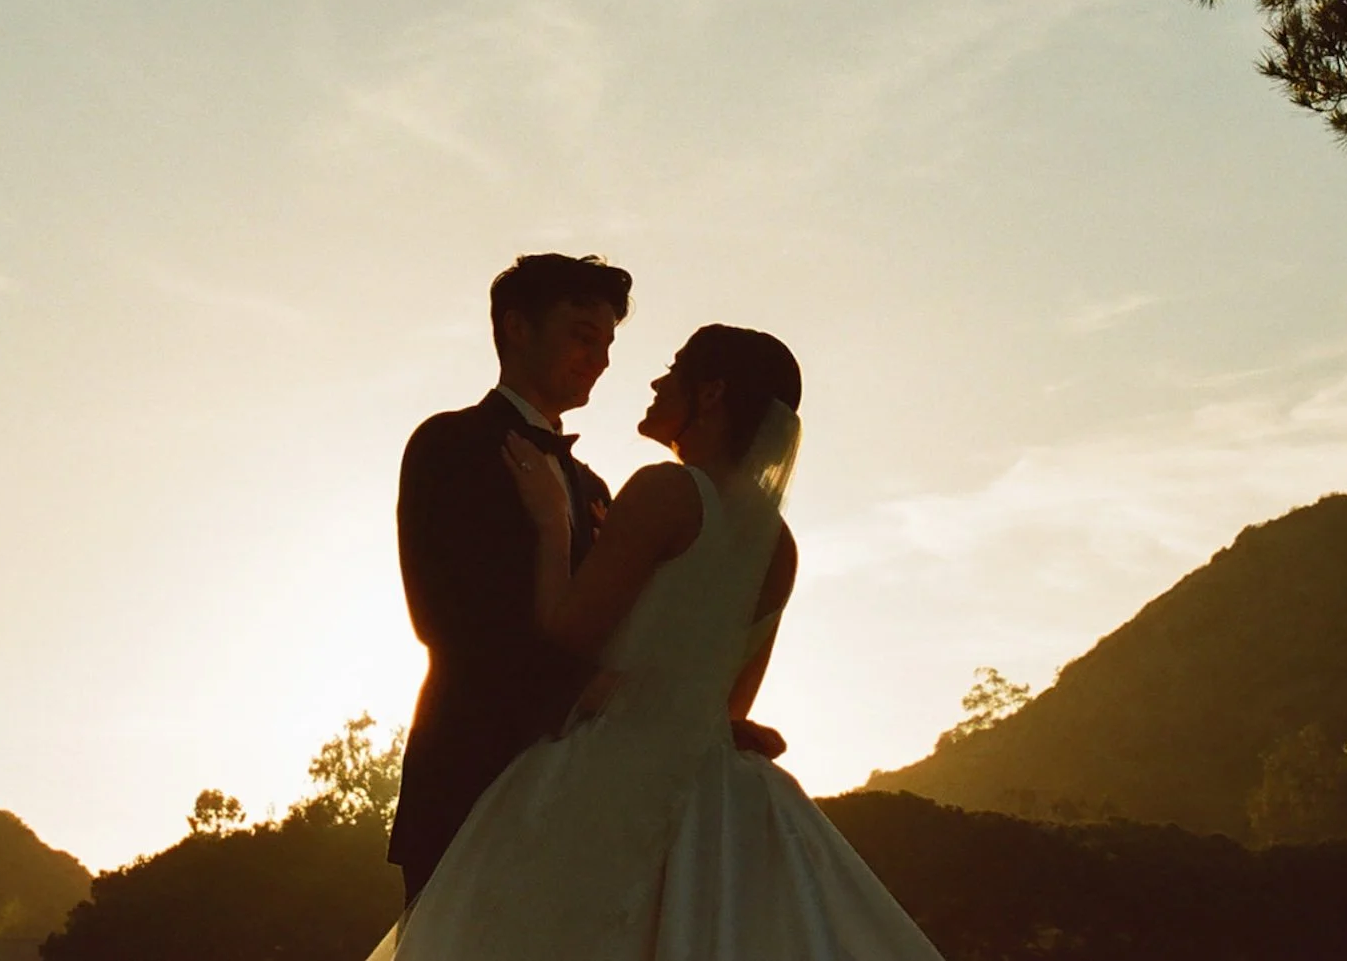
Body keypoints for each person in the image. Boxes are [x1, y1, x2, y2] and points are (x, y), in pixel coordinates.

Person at [372, 324, 944, 960]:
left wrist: (551, 527)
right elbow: (732, 707)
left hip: (602, 775)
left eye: (674, 371)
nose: (654, 381)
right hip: (710, 793)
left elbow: (565, 632)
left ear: (711, 394)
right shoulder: (778, 545)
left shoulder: (662, 491)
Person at [387, 255, 786, 906]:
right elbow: (442, 618)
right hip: (471, 772)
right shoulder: (450, 443)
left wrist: (684, 714)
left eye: (606, 344)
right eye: (582, 335)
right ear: (517, 327)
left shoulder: (597, 488)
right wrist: (589, 689)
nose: (599, 358)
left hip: (588, 796)